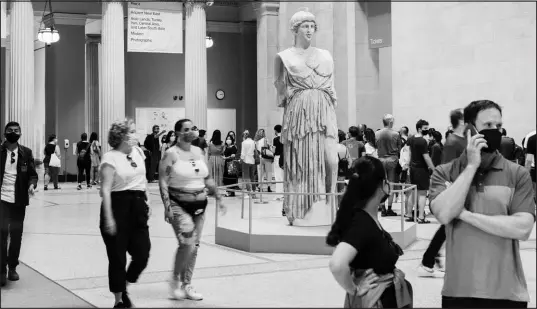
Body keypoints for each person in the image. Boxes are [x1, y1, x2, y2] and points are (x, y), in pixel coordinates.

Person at [430, 100, 535, 308]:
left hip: (508, 292)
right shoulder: (444, 172)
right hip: (458, 291)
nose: (496, 131)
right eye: (488, 126)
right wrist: (471, 167)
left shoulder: (518, 174)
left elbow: (523, 228)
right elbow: (443, 214)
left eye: (498, 126)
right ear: (470, 129)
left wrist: (465, 215)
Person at [274, 8, 338, 225]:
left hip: (324, 110)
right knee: (303, 160)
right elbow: (280, 88)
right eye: (305, 26)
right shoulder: (284, 56)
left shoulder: (325, 55)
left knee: (331, 159)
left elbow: (331, 88)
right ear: (295, 29)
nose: (310, 30)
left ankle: (329, 205)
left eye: (312, 26)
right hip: (299, 114)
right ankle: (302, 209)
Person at [327, 156, 412, 308]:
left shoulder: (365, 218)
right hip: (374, 301)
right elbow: (337, 264)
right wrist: (354, 289)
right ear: (380, 185)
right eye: (386, 179)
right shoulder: (361, 223)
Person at [158, 119, 226, 301]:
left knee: (194, 246)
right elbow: (163, 180)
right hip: (178, 204)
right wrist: (166, 206)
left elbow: (208, 177)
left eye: (192, 128)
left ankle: (187, 284)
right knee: (187, 241)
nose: (191, 132)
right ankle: (174, 279)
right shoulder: (171, 154)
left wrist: (218, 197)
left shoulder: (198, 151)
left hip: (199, 206)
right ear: (178, 133)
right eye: (186, 129)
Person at [99, 119, 151, 308]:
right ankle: (119, 299)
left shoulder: (138, 152)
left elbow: (142, 179)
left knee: (142, 253)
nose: (136, 135)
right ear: (122, 136)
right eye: (132, 132)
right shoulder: (110, 158)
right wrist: (109, 218)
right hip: (117, 206)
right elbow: (105, 190)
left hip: (138, 205)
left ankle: (125, 284)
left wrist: (148, 200)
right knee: (117, 257)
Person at [418, 108, 466, 278]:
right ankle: (430, 259)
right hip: (456, 188)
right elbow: (448, 167)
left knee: (451, 226)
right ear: (461, 121)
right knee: (450, 225)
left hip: (462, 187)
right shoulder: (453, 141)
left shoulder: (461, 139)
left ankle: (431, 258)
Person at [0, 122, 38, 287]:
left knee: (16, 236)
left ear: (20, 134)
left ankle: (12, 267)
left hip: (19, 200)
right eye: (10, 130)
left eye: (16, 131)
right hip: (2, 199)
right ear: (5, 133)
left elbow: (32, 174)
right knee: (1, 236)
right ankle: (1, 270)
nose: (13, 133)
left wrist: (32, 184)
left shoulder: (26, 152)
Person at [405, 120, 435, 224]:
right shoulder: (422, 141)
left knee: (413, 193)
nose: (427, 130)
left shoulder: (411, 138)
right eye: (425, 129)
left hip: (412, 168)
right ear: (419, 129)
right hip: (421, 169)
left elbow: (408, 152)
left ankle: (409, 215)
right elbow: (426, 157)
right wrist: (433, 169)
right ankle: (421, 217)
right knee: (422, 194)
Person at [375, 114, 402, 217]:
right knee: (391, 184)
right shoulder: (396, 134)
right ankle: (389, 208)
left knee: (382, 185)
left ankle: (382, 208)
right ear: (390, 122)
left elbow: (376, 146)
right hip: (392, 160)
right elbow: (399, 149)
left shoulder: (377, 133)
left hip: (381, 160)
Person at [240, 130, 257, 197]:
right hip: (252, 161)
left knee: (246, 177)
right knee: (252, 176)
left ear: (244, 136)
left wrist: (241, 159)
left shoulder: (244, 142)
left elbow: (243, 153)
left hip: (246, 161)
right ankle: (254, 191)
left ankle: (248, 192)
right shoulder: (253, 142)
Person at [272, 125, 284, 201]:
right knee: (283, 176)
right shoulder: (285, 138)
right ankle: (283, 193)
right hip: (284, 158)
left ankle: (279, 195)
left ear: (276, 131)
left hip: (277, 158)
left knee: (278, 177)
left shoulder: (276, 139)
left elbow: (274, 151)